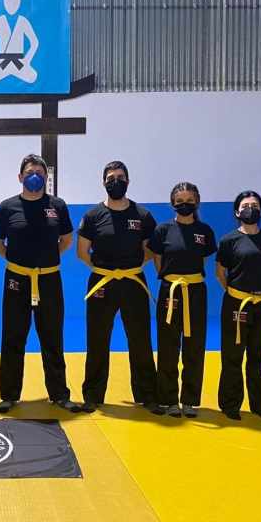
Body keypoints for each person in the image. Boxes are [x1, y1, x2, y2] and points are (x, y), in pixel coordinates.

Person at [0, 154, 79, 413]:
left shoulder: (57, 205)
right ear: (20, 177)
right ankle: (9, 395)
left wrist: (46, 260)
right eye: (30, 172)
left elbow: (66, 239)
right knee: (13, 336)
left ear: (46, 177)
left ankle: (59, 394)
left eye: (39, 173)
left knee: (52, 337)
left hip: (49, 278)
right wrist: (17, 262)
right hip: (16, 279)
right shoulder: (8, 207)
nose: (35, 177)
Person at [77, 161, 161, 414]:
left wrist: (129, 268)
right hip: (102, 282)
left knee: (140, 339)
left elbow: (150, 250)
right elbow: (82, 252)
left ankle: (148, 395)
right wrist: (105, 269)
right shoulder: (93, 216)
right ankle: (93, 396)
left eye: (120, 177)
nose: (116, 181)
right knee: (97, 340)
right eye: (111, 178)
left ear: (128, 181)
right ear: (104, 182)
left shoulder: (143, 215)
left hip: (133, 282)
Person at [148, 182, 216, 418]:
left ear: (197, 202)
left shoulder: (204, 231)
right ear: (172, 204)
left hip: (196, 291)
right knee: (168, 346)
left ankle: (189, 400)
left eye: (189, 201)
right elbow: (157, 258)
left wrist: (188, 278)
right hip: (170, 291)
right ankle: (168, 399)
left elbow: (203, 259)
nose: (184, 204)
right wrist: (171, 278)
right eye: (179, 201)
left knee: (194, 346)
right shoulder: (163, 230)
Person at [215, 191, 261, 420]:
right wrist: (235, 293)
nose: (249, 209)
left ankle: (260, 405)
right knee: (233, 355)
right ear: (237, 212)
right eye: (245, 205)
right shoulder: (228, 240)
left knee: (260, 355)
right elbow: (220, 272)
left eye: (254, 205)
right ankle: (230, 404)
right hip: (237, 304)